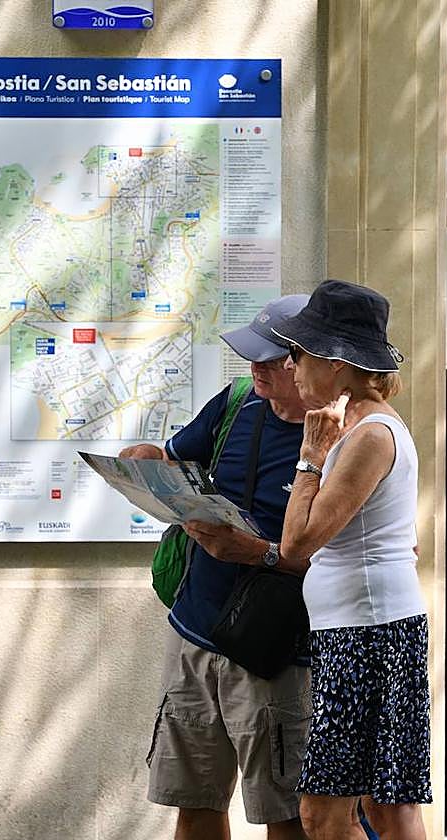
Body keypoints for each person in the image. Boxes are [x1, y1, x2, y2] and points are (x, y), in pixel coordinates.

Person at [119, 294, 313, 840]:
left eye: (270, 360)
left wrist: (257, 551)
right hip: (196, 630)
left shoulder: (343, 436)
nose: (255, 369)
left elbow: (356, 553)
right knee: (195, 799)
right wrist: (148, 462)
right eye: (251, 356)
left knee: (286, 812)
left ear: (309, 364)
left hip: (276, 647)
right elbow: (179, 457)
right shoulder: (238, 402)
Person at [272, 280, 432, 840]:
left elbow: (296, 546)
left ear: (337, 362)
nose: (290, 366)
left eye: (299, 353)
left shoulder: (367, 435)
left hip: (369, 635)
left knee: (330, 813)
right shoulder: (359, 428)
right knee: (387, 806)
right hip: (362, 631)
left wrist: (310, 456)